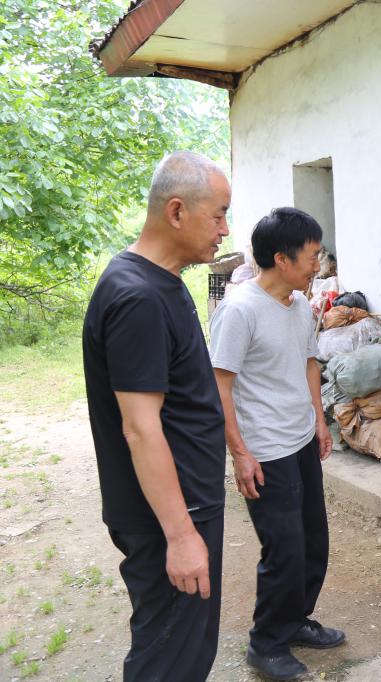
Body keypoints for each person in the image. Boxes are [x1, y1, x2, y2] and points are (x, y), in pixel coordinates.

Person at [82, 151, 231, 680]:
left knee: (186, 650)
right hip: (168, 514)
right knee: (170, 659)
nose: (224, 230)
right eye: (218, 215)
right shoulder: (137, 297)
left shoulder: (161, 281)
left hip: (185, 504)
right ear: (176, 212)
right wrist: (181, 535)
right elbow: (141, 429)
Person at [209, 207, 344, 681]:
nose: (317, 264)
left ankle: (295, 620)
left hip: (300, 438)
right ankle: (265, 644)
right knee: (283, 549)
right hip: (265, 449)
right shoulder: (240, 310)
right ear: (282, 259)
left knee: (313, 542)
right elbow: (220, 385)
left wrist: (320, 421)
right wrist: (239, 453)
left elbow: (309, 363)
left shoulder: (300, 305)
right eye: (312, 256)